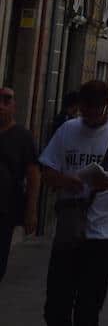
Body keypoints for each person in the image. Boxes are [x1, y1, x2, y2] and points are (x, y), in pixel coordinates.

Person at [40, 79, 108, 326]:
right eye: (84, 109)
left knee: (88, 309)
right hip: (68, 233)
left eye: (94, 109)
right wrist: (66, 181)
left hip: (103, 235)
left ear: (107, 105)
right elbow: (46, 172)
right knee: (55, 307)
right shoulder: (67, 130)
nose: (88, 115)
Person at [0, 86, 39, 283]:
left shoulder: (23, 137)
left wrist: (31, 211)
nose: (1, 106)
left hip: (5, 210)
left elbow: (33, 175)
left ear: (14, 106)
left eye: (7, 101)